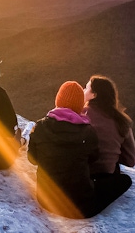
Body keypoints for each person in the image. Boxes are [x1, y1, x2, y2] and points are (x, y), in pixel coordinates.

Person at [28, 81, 100, 219]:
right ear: (80, 105)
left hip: (46, 201)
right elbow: (94, 159)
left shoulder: (40, 126)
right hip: (81, 206)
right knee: (122, 180)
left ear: (58, 101)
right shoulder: (89, 132)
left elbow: (32, 159)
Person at [84, 76, 135, 201]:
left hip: (83, 175)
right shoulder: (122, 121)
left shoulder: (80, 114)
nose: (83, 90)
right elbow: (130, 160)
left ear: (94, 95)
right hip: (106, 178)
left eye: (86, 88)